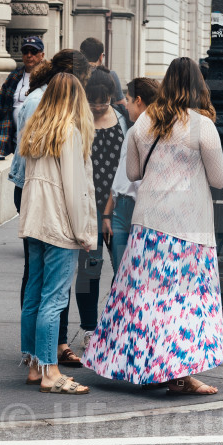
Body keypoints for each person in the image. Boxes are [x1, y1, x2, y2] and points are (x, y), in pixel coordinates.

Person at [82, 57, 223, 395]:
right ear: (198, 87)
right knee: (184, 302)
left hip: (147, 225)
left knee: (142, 300)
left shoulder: (143, 123)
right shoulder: (201, 125)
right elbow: (219, 179)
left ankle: (138, 366)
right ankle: (180, 374)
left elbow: (133, 174)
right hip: (189, 227)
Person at [9, 49, 92, 369]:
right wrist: (84, 232)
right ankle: (48, 368)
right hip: (58, 221)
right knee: (54, 298)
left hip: (35, 215)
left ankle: (32, 363)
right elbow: (74, 191)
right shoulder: (69, 132)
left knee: (34, 291)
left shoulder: (36, 128)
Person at [73, 69, 129, 342]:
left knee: (123, 268)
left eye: (103, 100)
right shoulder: (78, 121)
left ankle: (117, 324)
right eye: (92, 101)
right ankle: (89, 328)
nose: (97, 106)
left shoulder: (122, 119)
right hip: (87, 206)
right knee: (89, 270)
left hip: (117, 207)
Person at [104, 77, 159, 273]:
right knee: (120, 275)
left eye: (127, 99)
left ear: (138, 100)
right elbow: (120, 175)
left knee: (136, 275)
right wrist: (107, 213)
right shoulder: (132, 131)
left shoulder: (156, 133)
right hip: (121, 209)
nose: (125, 105)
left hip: (142, 209)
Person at [0, 36, 45, 161]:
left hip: (40, 140)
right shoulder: (13, 77)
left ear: (42, 55)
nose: (29, 55)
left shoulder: (50, 77)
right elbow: (1, 110)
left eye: (33, 52)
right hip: (15, 140)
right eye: (25, 51)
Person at [79, 37, 125, 112]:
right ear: (101, 56)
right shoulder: (111, 75)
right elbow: (121, 104)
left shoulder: (73, 75)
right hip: (105, 119)